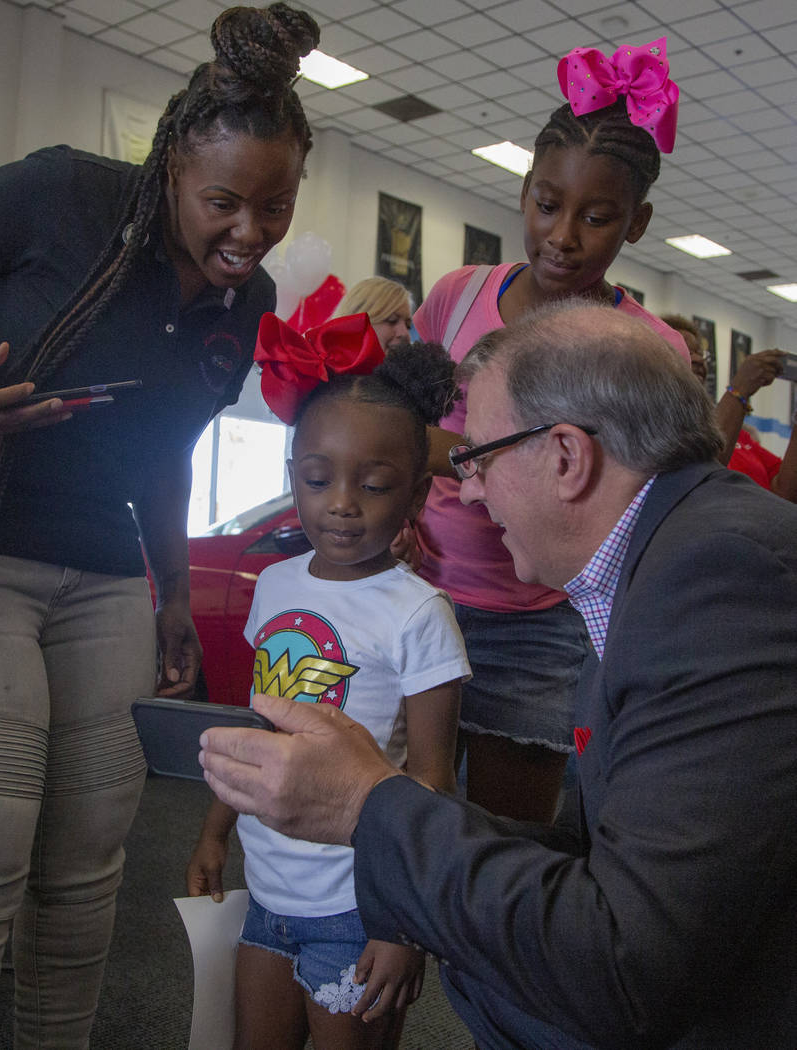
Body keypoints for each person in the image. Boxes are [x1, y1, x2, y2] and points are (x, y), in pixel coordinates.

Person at [0, 4, 319, 1047]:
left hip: (101, 576)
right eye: (224, 203)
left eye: (275, 207)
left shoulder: (247, 301)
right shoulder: (67, 195)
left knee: (85, 869)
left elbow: (165, 449)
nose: (249, 233)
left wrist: (173, 599)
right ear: (170, 173)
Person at [200, 301, 797, 1050]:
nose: (470, 490)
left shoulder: (716, 578)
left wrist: (367, 805)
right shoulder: (665, 564)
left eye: (477, 456)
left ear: (566, 457)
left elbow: (627, 962)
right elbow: (601, 851)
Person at [413, 39, 690, 822]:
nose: (563, 235)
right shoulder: (458, 297)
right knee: (399, 818)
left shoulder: (649, 352)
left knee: (506, 844)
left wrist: (461, 460)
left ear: (635, 223)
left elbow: (631, 506)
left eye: (597, 217)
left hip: (538, 623)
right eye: (546, 204)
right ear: (525, 192)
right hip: (422, 593)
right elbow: (402, 425)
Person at [187, 313, 470, 1050]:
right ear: (294, 480)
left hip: (359, 908)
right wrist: (216, 833)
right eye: (318, 479)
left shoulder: (419, 613)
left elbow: (432, 780)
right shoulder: (277, 585)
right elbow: (259, 728)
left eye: (374, 485)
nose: (341, 502)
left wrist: (406, 922)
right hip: (269, 894)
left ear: (412, 499)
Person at [659, 314, 796, 498]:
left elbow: (786, 491)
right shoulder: (656, 431)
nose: (699, 359)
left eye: (700, 352)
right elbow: (700, 474)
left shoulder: (740, 436)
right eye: (687, 352)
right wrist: (740, 388)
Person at [333, 276, 413, 351]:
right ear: (356, 325)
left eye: (408, 325)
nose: (404, 333)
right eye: (392, 320)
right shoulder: (324, 364)